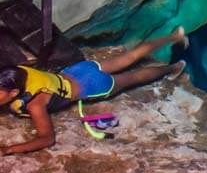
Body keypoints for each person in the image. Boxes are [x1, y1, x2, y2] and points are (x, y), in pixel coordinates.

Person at [0, 27, 189, 155]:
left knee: (134, 77)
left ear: (15, 93)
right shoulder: (15, 72)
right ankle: (175, 36)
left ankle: (172, 68)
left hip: (92, 85)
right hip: (79, 69)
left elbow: (47, 139)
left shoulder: (35, 103)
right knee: (130, 57)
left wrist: (11, 149)